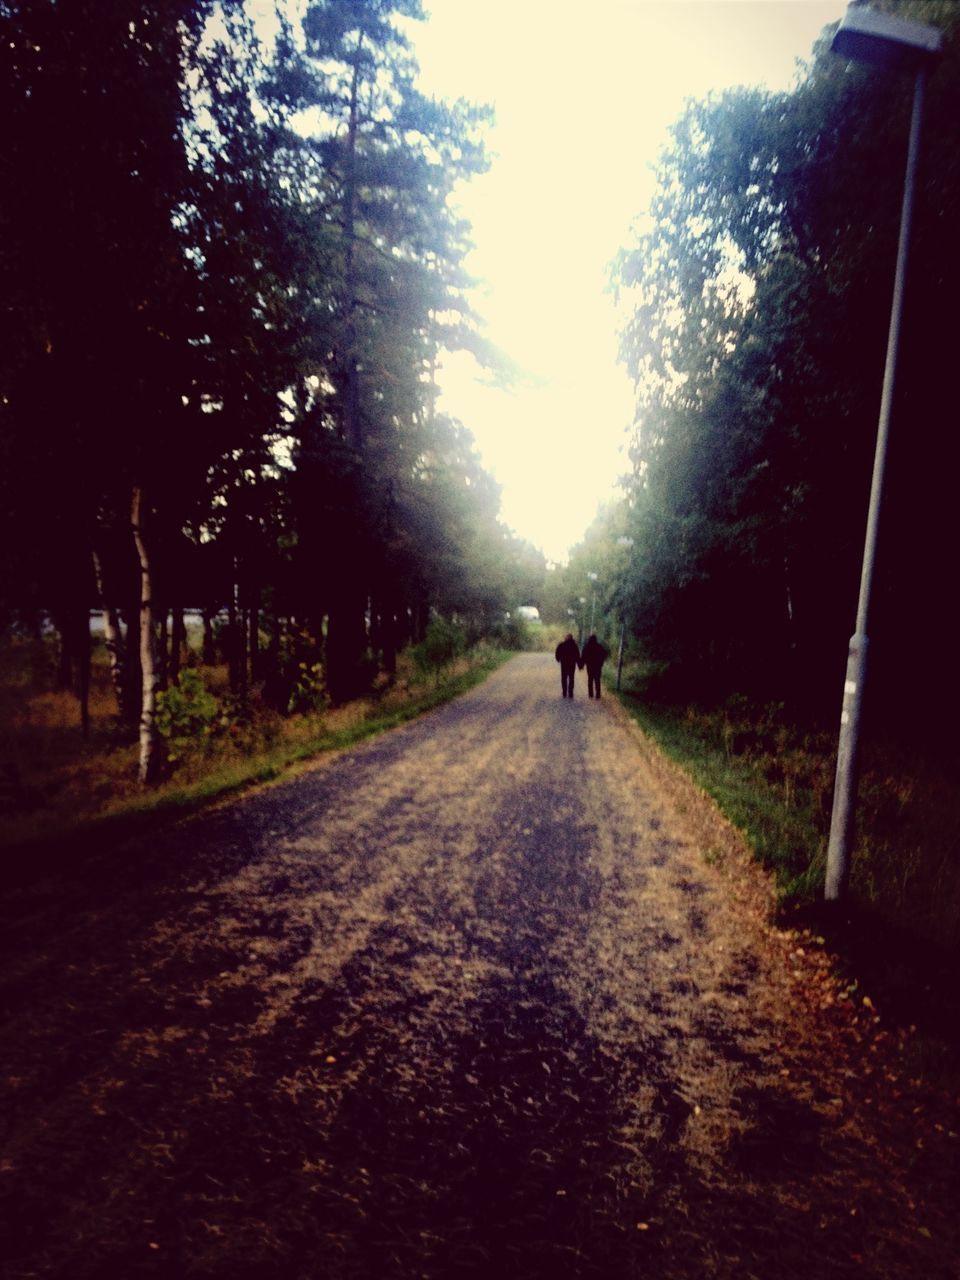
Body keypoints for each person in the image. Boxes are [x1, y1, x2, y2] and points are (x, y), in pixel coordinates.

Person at [581, 632, 609, 699]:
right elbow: (605, 654)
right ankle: (598, 694)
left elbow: (583, 656)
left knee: (590, 679)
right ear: (595, 639)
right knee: (597, 680)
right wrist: (601, 661)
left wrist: (582, 664)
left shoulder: (587, 646)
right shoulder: (599, 646)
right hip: (597, 666)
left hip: (590, 665)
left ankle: (590, 694)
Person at [554, 633, 580, 698]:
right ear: (572, 638)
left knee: (564, 678)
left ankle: (564, 693)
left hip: (564, 664)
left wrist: (558, 659)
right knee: (571, 678)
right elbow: (577, 655)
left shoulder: (562, 645)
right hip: (572, 664)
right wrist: (579, 664)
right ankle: (570, 693)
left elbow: (557, 652)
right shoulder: (574, 645)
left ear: (566, 638)